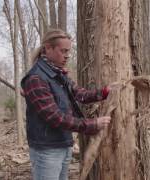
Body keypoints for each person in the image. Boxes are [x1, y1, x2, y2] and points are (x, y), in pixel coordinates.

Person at [21, 28, 111, 180]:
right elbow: (55, 117)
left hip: (63, 143)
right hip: (47, 149)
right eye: (63, 51)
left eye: (68, 51)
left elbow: (80, 94)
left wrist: (104, 92)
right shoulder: (36, 78)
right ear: (48, 48)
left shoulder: (57, 74)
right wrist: (91, 125)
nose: (67, 55)